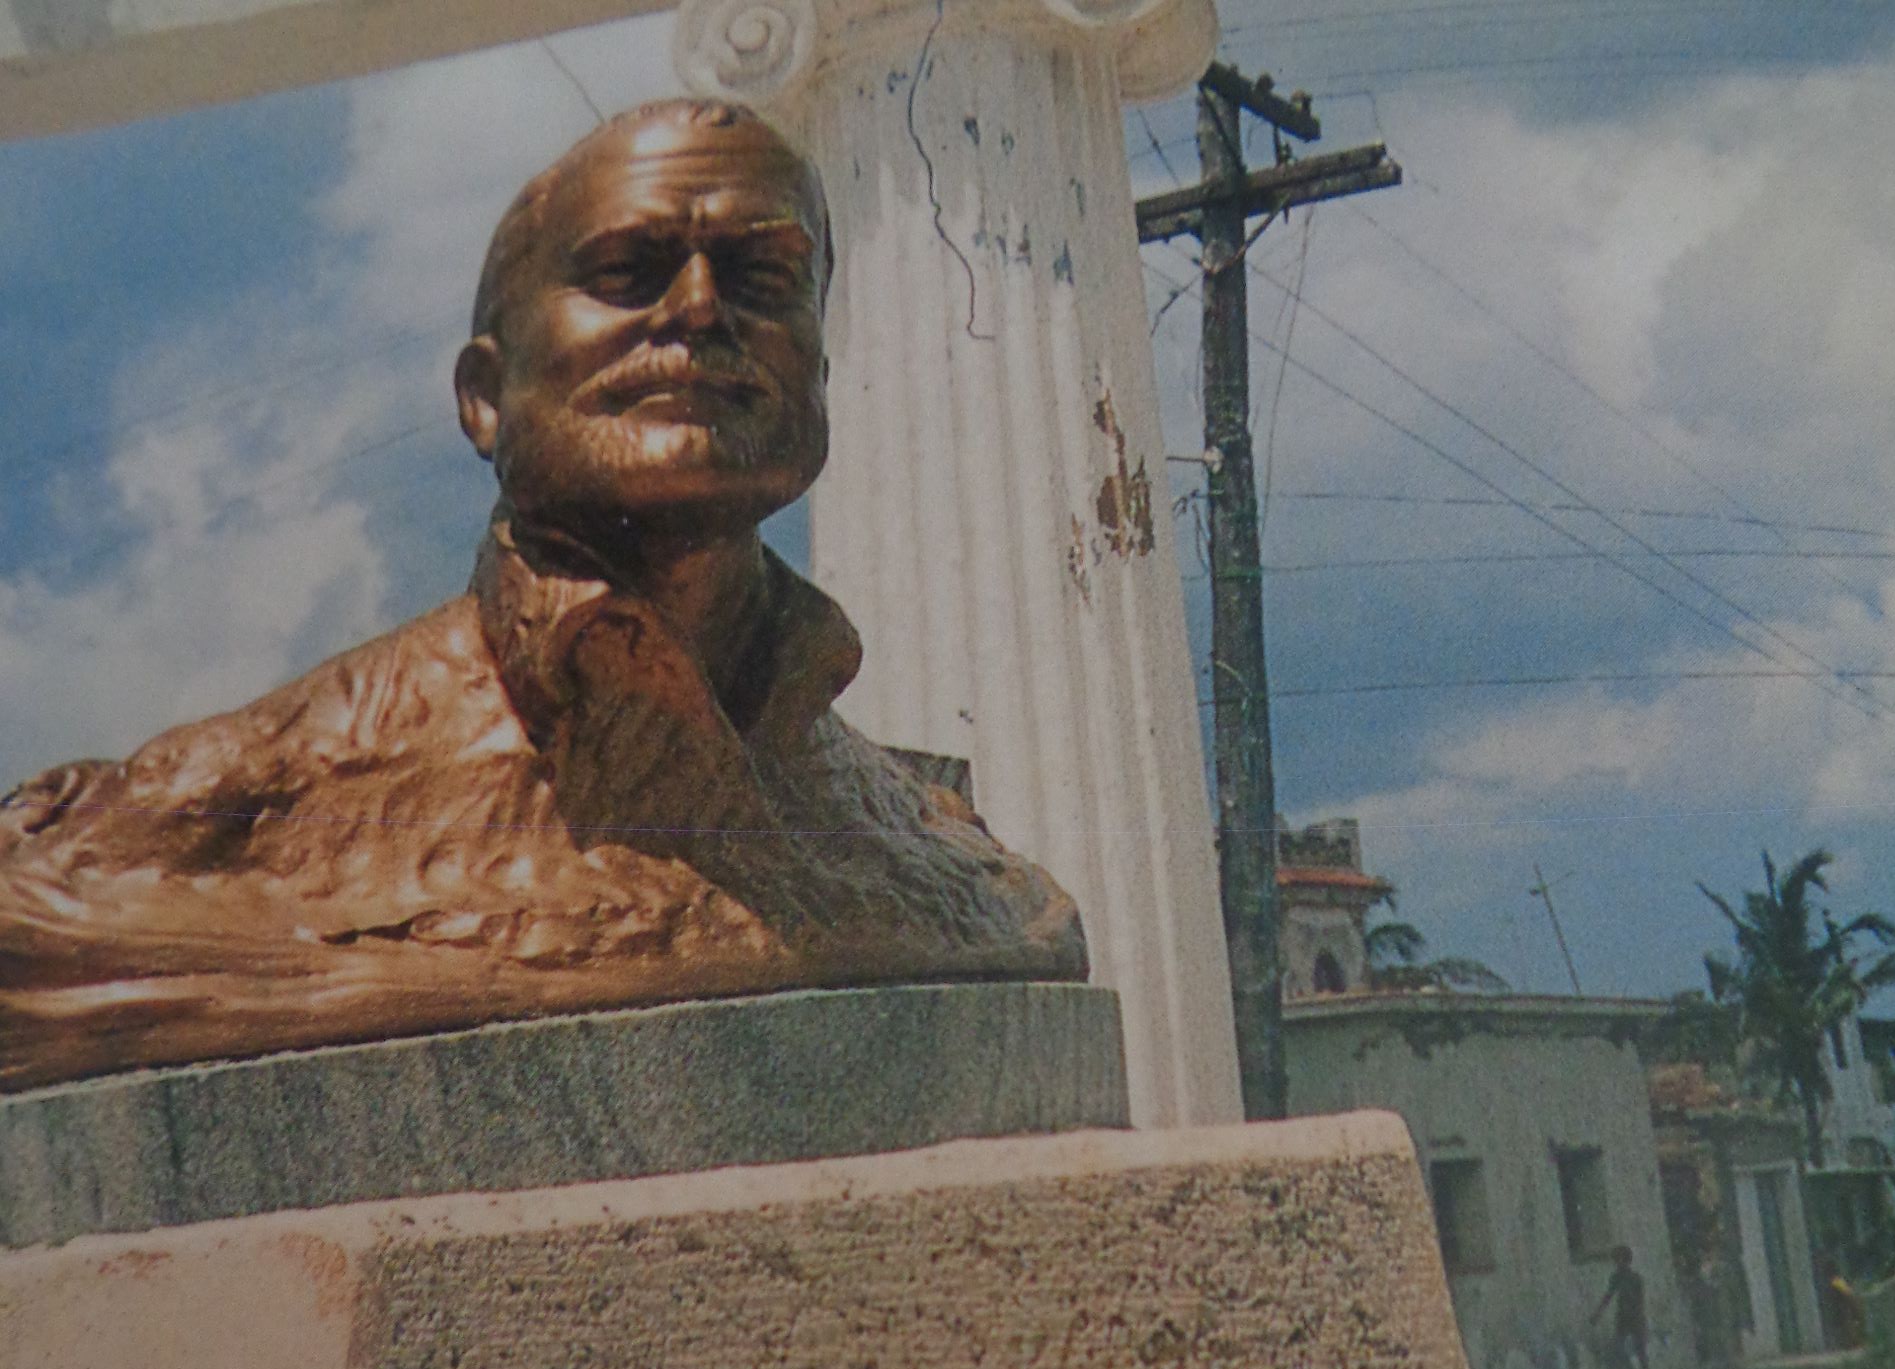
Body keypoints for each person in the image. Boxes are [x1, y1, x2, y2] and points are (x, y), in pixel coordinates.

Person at [0, 101, 1084, 1093]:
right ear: (483, 397)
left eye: (763, 278)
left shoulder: (944, 848)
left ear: (816, 370)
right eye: (627, 270)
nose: (701, 310)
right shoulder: (197, 818)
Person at [1592, 1244, 1651, 1369]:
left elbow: (1639, 1301)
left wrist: (1638, 1317)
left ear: (1625, 1260)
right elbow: (1608, 1296)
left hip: (1635, 1317)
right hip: (1623, 1318)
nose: (1616, 1263)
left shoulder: (1635, 1278)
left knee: (1641, 1352)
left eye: (1618, 1259)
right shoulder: (1616, 1278)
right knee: (1618, 1348)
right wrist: (1597, 1314)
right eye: (1615, 1260)